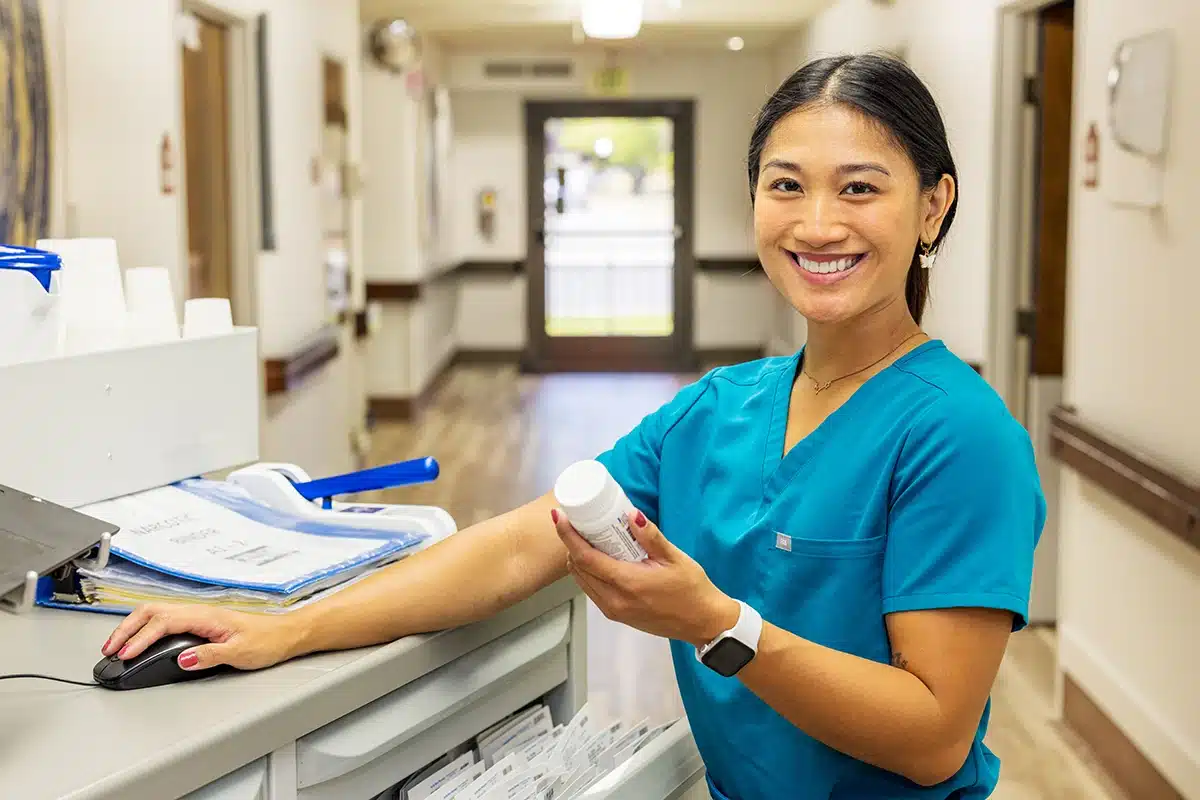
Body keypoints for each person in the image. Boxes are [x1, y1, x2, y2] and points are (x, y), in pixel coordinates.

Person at [102, 53, 1044, 799]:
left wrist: (718, 625)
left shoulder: (960, 438)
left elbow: (931, 740)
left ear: (934, 204)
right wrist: (286, 628)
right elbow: (519, 547)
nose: (817, 222)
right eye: (786, 185)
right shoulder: (723, 407)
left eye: (861, 188)